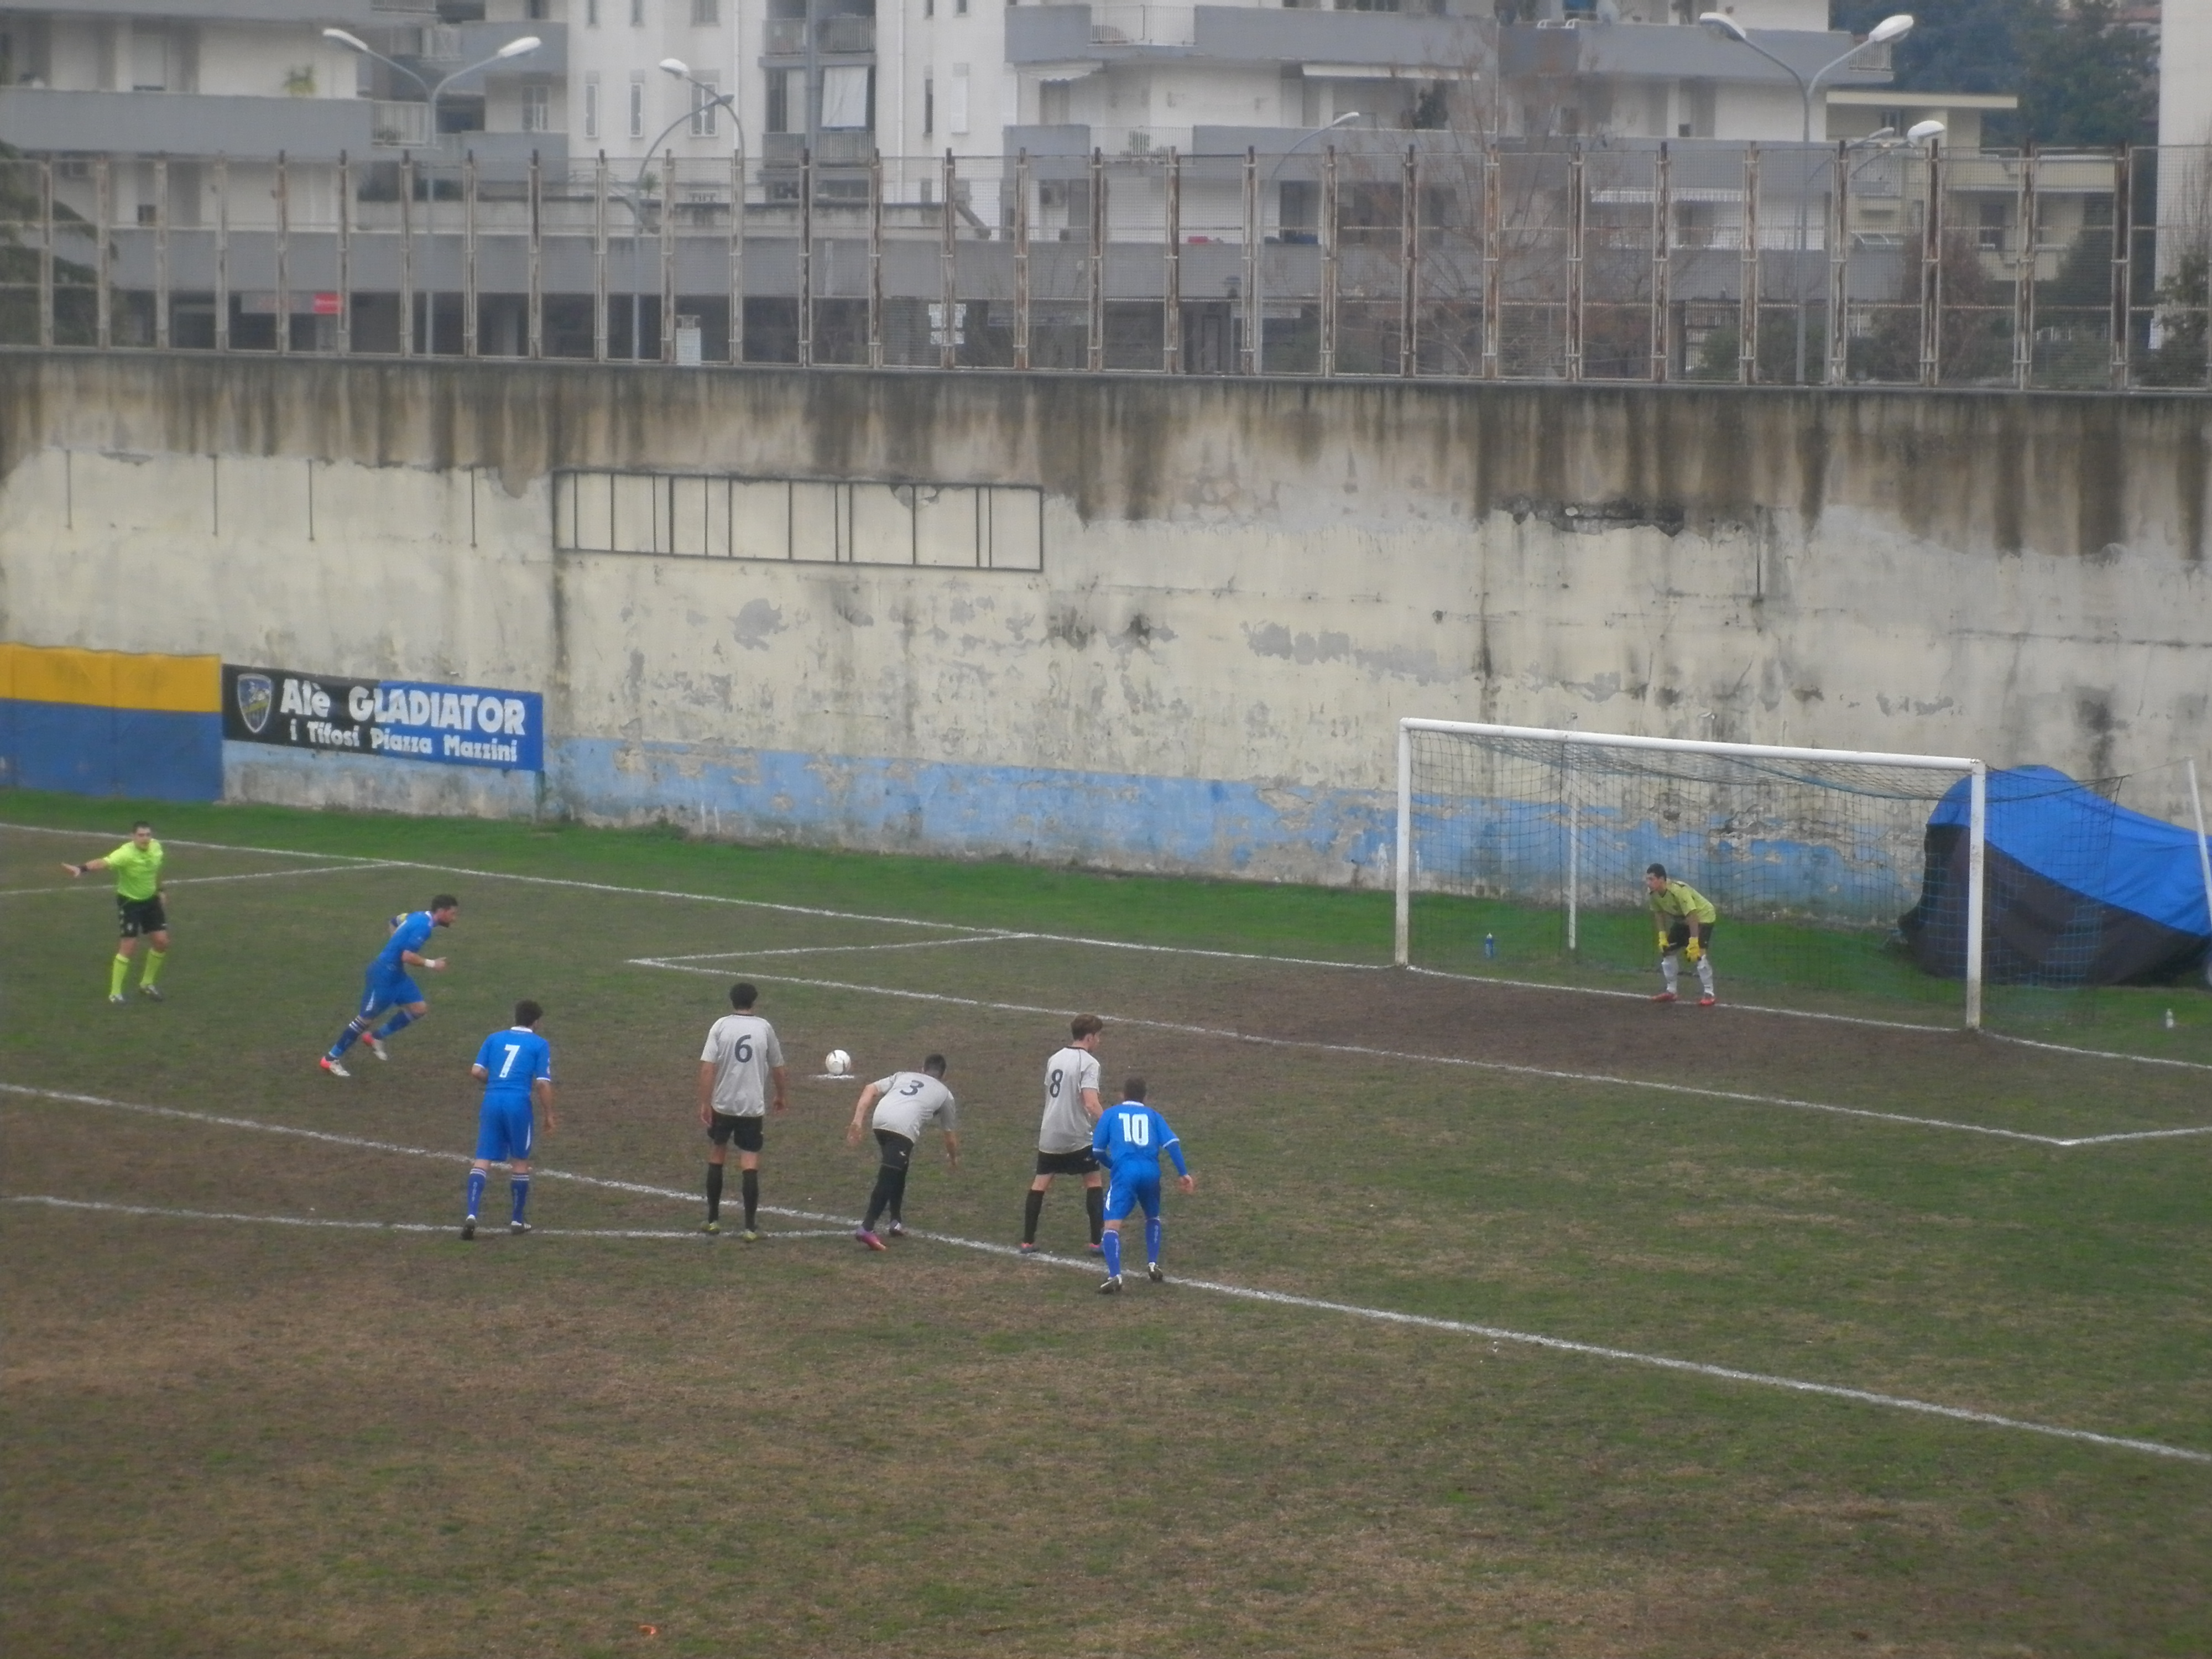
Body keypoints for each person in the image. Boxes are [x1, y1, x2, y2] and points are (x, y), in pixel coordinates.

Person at [320, 895, 460, 1077]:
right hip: (383, 975)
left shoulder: (417, 915)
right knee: (365, 1020)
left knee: (419, 1009)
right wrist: (433, 964)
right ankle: (330, 1059)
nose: (454, 918)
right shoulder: (424, 928)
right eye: (452, 914)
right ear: (441, 911)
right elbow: (407, 957)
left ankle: (375, 1037)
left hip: (397, 975)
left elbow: (394, 921)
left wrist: (397, 943)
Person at [697, 982, 787, 1239]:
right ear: (754, 1002)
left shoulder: (721, 1026)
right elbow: (778, 1068)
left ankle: (713, 1220)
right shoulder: (764, 1028)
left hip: (723, 1105)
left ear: (732, 1001)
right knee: (749, 1161)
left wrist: (705, 1102)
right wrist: (781, 1095)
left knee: (717, 1155)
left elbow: (707, 1068)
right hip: (751, 1108)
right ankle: (749, 1227)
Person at [1089, 1077, 1194, 1295]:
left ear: (1122, 1095)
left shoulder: (1111, 1114)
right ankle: (1153, 1264)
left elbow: (1097, 1151)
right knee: (1152, 1216)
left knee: (1111, 1226)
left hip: (1126, 1173)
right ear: (1145, 1097)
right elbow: (1172, 1144)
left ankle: (1115, 1275)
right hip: (1151, 1171)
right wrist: (1183, 1173)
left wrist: (1114, 1166)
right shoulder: (1153, 1115)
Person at [461, 1000, 556, 1240]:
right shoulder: (540, 1044)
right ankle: (517, 1220)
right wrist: (549, 1114)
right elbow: (542, 1084)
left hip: (492, 1100)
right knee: (520, 1161)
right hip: (518, 1104)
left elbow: (476, 1071)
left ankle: (471, 1214)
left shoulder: (494, 1038)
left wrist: (494, 1082)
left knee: (483, 1158)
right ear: (536, 1022)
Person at [845, 1055, 958, 1251]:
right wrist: (954, 1158)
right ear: (944, 1074)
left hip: (880, 1122)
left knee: (899, 1168)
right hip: (902, 1129)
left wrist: (858, 1120)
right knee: (888, 1177)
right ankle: (867, 1228)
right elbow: (949, 1136)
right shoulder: (945, 1095)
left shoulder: (903, 1076)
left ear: (922, 1069)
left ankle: (895, 1222)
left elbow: (870, 1089)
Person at [1021, 1013, 1105, 1255]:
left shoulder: (1055, 1058)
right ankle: (1097, 1242)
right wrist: (1109, 1121)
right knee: (1093, 1181)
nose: (1099, 1041)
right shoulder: (1089, 1063)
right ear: (1089, 1037)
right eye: (1098, 1036)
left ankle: (1027, 1241)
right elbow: (1090, 1102)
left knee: (1040, 1183)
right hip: (1076, 1135)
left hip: (1050, 1133)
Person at [60, 820, 171, 1004]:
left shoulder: (156, 848)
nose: (145, 839)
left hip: (151, 901)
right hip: (130, 903)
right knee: (129, 946)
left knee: (162, 942)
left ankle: (147, 983)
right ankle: (115, 993)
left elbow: (155, 870)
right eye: (141, 835)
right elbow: (103, 863)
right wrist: (82, 868)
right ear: (133, 836)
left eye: (148, 835)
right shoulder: (125, 853)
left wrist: (161, 890)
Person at [1646, 863, 1718, 1006]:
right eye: (1647, 879)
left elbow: (1692, 915)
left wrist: (1694, 941)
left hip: (1703, 917)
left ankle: (1709, 993)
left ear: (1662, 880)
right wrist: (1662, 936)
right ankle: (1671, 991)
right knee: (1667, 950)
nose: (1648, 883)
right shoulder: (1653, 893)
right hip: (1683, 920)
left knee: (1698, 954)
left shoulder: (1678, 891)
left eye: (1651, 879)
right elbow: (1658, 913)